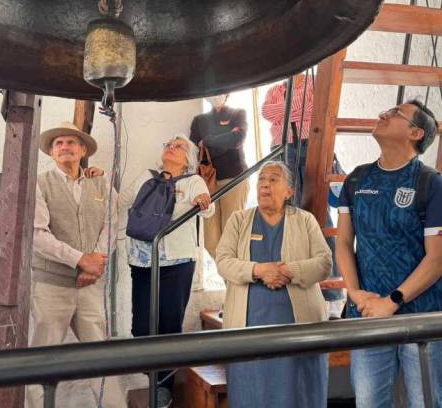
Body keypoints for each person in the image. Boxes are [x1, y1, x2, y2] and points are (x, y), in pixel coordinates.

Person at [335, 101, 442, 408]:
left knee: (426, 403)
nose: (382, 114)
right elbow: (344, 244)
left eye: (395, 113)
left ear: (415, 132)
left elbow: (438, 260)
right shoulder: (357, 180)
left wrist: (392, 301)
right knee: (369, 402)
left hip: (422, 317)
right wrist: (356, 294)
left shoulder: (431, 183)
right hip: (368, 314)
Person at [216, 160, 331, 408]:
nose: (265, 185)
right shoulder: (239, 220)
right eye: (261, 180)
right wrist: (259, 270)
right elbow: (223, 261)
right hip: (248, 329)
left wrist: (289, 270)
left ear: (289, 191)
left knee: (300, 394)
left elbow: (324, 263)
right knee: (251, 395)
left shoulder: (305, 220)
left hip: (299, 330)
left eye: (273, 180)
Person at [26, 121, 121, 408]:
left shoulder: (101, 182)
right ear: (52, 153)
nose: (65, 147)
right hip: (50, 286)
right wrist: (81, 261)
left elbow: (113, 225)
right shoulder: (40, 184)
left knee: (101, 359)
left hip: (90, 286)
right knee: (41, 360)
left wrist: (96, 264)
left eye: (71, 142)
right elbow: (38, 235)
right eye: (58, 144)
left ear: (82, 150)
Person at [120, 134, 213, 408]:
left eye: (179, 146)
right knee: (141, 327)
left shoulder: (193, 181)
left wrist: (201, 200)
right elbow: (120, 201)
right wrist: (96, 177)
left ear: (189, 159)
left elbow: (209, 209)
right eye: (169, 144)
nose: (172, 147)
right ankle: (156, 371)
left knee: (169, 325)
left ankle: (163, 388)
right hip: (142, 261)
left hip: (178, 263)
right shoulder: (145, 177)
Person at [189, 94, 249, 258]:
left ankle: (235, 283)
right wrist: (225, 138)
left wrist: (207, 141)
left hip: (234, 179)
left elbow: (237, 140)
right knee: (211, 242)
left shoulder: (238, 114)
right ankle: (233, 282)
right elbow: (194, 149)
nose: (216, 95)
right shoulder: (199, 120)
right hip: (208, 183)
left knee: (232, 238)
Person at [261, 73, 314, 204]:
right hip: (282, 147)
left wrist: (283, 112)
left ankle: (317, 225)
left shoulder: (313, 81)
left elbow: (313, 108)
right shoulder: (274, 90)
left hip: (310, 143)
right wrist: (300, 106)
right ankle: (291, 225)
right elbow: (266, 113)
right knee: (289, 198)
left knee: (315, 198)